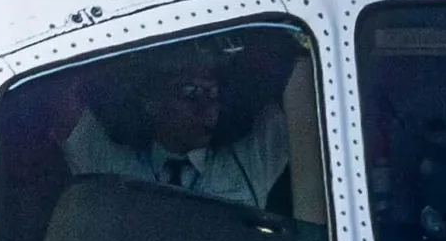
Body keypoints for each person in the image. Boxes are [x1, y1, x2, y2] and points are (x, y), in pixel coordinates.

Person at [63, 37, 291, 208]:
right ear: (150, 103)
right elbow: (62, 99)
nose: (206, 107)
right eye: (190, 92)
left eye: (212, 93)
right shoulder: (111, 167)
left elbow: (299, 87)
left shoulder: (251, 161)